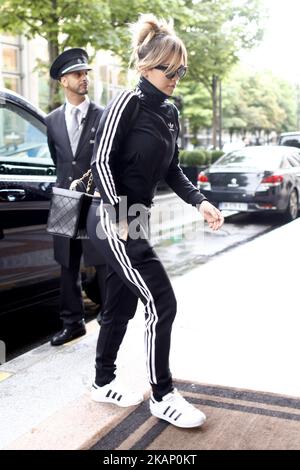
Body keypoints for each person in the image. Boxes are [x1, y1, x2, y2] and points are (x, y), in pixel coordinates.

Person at [87, 14, 224, 428]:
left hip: (137, 217)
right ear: (146, 67)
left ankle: (101, 381)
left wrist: (199, 202)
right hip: (115, 218)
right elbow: (101, 160)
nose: (177, 76)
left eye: (182, 70)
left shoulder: (169, 112)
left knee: (120, 304)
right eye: (170, 69)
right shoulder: (126, 102)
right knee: (161, 301)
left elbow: (173, 170)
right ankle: (162, 395)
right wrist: (119, 214)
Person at [46, 48, 106, 346]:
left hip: (96, 198)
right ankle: (73, 323)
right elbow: (59, 159)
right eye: (78, 74)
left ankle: (109, 320)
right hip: (64, 199)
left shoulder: (104, 116)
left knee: (103, 261)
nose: (84, 79)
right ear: (63, 80)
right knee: (67, 265)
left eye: (86, 74)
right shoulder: (51, 120)